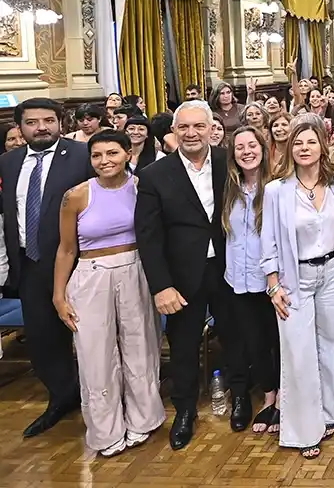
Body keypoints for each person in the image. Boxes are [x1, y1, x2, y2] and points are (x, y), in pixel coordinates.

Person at [51, 130, 164, 455]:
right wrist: (59, 296)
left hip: (136, 269)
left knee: (141, 346)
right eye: (97, 156)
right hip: (91, 275)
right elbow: (66, 250)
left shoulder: (144, 187)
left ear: (128, 153)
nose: (105, 161)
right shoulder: (76, 196)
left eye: (112, 153)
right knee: (95, 356)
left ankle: (144, 420)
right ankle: (106, 432)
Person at [134, 100, 232, 450]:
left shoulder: (228, 163)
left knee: (236, 338)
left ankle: (242, 399)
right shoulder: (154, 176)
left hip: (229, 270)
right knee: (184, 347)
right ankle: (186, 411)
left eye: (198, 126)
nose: (191, 133)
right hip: (182, 278)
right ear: (173, 132)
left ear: (211, 129)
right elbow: (148, 236)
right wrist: (161, 286)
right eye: (184, 127)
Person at [260, 115, 334, 459]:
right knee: (298, 350)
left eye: (311, 141)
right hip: (294, 277)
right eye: (297, 142)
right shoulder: (276, 191)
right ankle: (303, 430)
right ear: (289, 148)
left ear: (322, 146)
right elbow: (267, 240)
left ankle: (331, 412)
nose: (304, 148)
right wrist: (273, 284)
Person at [0, 98, 90, 438]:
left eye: (48, 120)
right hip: (30, 262)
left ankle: (100, 399)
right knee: (42, 339)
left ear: (60, 122)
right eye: (33, 122)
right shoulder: (7, 163)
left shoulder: (83, 156)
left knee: (90, 333)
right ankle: (61, 397)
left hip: (80, 262)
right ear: (20, 127)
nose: (41, 127)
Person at [221, 126, 280, 435]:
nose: (246, 151)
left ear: (263, 148)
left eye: (252, 145)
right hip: (238, 281)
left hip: (272, 281)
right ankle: (268, 394)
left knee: (279, 341)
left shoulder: (278, 186)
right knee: (255, 344)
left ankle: (283, 398)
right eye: (240, 147)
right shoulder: (229, 189)